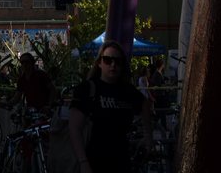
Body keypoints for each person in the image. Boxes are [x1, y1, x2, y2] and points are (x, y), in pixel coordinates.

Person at [69, 40, 152, 173]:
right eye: (108, 60)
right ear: (99, 63)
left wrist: (148, 139)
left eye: (117, 61)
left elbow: (145, 105)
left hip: (122, 162)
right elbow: (74, 128)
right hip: (94, 161)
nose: (113, 65)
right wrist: (83, 162)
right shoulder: (87, 89)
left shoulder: (127, 90)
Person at [148, 59, 169, 129]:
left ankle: (156, 125)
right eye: (163, 64)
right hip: (159, 95)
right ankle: (161, 125)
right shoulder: (157, 74)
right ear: (161, 65)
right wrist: (166, 86)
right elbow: (158, 85)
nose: (164, 65)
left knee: (160, 112)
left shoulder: (159, 73)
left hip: (161, 94)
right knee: (161, 112)